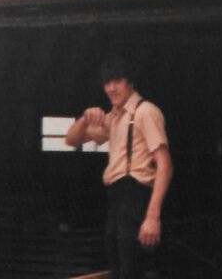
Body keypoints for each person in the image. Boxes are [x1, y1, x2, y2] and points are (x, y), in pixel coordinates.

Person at [65, 56, 172, 279]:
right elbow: (71, 140)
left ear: (130, 82)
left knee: (130, 268)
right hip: (116, 197)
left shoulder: (145, 112)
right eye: (107, 83)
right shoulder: (113, 118)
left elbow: (164, 165)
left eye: (117, 81)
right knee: (117, 261)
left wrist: (152, 217)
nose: (111, 88)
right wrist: (85, 119)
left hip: (136, 195)